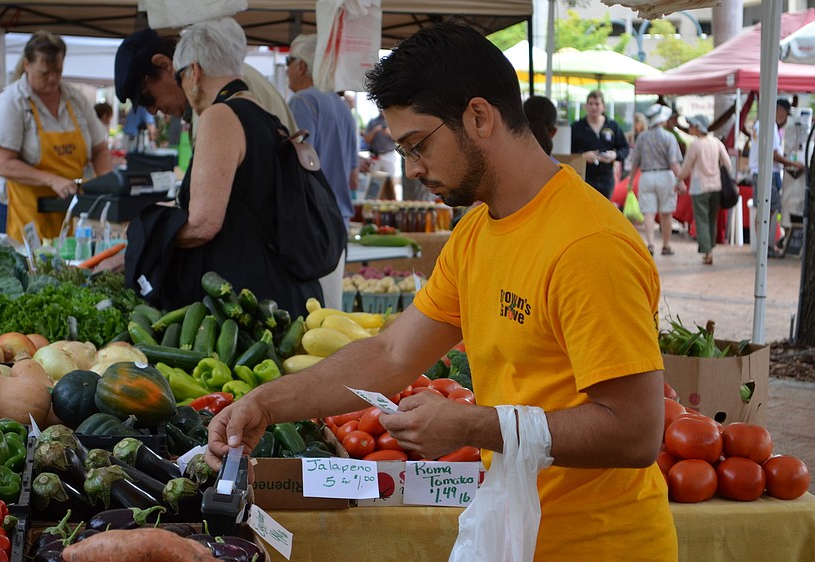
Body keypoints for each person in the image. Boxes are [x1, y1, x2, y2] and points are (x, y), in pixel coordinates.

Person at [207, 22, 676, 561]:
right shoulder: (477, 231)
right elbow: (390, 354)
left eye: (418, 145)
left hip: (600, 546)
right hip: (513, 532)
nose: (413, 169)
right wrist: (265, 404)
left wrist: (474, 425)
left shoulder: (589, 245)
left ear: (479, 117)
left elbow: (637, 432)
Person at [123, 17, 321, 315]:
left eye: (180, 78)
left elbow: (203, 224)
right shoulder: (261, 113)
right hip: (282, 297)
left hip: (250, 304)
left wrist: (146, 233)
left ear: (194, 72)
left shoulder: (220, 115)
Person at [0, 30, 111, 240]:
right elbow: (3, 163)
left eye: (58, 71)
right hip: (15, 207)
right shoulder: (11, 103)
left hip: (64, 204)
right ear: (27, 65)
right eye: (44, 72)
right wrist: (52, 180)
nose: (52, 79)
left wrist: (107, 185)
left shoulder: (75, 99)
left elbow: (100, 148)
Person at [286, 33, 359, 310]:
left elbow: (297, 165)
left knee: (311, 320)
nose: (288, 69)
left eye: (289, 61)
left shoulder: (302, 102)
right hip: (338, 223)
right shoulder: (343, 108)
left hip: (311, 223)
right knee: (331, 315)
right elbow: (354, 178)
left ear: (301, 66)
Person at [113, 27, 298, 135]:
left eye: (147, 98)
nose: (152, 110)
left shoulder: (211, 93)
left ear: (163, 64)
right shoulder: (227, 78)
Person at [749, 98, 804, 258]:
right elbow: (773, 155)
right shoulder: (769, 125)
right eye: (785, 114)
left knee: (768, 210)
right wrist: (792, 163)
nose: (785, 118)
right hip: (766, 173)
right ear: (779, 110)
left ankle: (765, 245)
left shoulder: (763, 124)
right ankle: (764, 247)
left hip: (766, 172)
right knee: (767, 210)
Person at [676, 114, 732, 265]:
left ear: (698, 127)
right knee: (712, 219)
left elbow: (686, 167)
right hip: (716, 186)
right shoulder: (716, 142)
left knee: (701, 220)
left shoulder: (695, 145)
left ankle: (707, 251)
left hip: (699, 187)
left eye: (692, 125)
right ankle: (710, 250)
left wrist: (679, 179)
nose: (690, 128)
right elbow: (728, 164)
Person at [631, 103, 684, 256]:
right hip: (665, 176)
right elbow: (674, 162)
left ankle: (651, 244)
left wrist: (631, 180)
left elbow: (635, 161)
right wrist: (680, 180)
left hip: (646, 176)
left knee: (648, 212)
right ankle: (666, 245)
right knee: (666, 212)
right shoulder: (669, 137)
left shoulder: (642, 137)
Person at [570, 90, 629, 199]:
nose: (594, 107)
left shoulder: (612, 126)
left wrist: (614, 155)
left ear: (603, 106)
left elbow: (625, 148)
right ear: (586, 106)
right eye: (591, 104)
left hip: (606, 178)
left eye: (597, 104)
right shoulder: (577, 127)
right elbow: (568, 152)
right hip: (583, 177)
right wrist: (582, 156)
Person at [363, 110, 398, 189]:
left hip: (389, 155)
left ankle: (391, 200)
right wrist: (375, 130)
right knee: (373, 183)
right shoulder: (372, 122)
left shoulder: (393, 121)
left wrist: (389, 133)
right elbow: (367, 140)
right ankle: (372, 200)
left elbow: (399, 140)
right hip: (375, 156)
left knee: (390, 182)